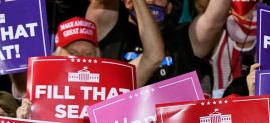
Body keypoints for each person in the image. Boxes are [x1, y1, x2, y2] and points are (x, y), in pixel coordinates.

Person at [88, 0, 229, 85]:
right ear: (127, 2)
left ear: (169, 7)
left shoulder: (185, 37)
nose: (152, 1)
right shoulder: (111, 27)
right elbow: (98, 4)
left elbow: (216, 16)